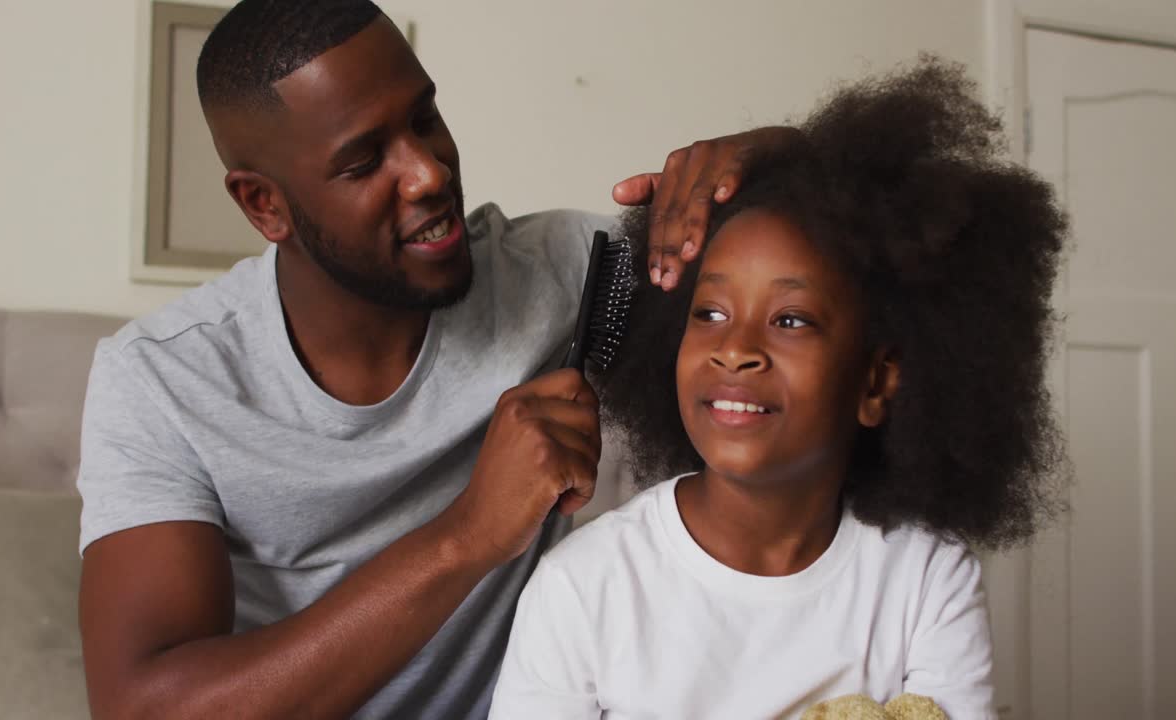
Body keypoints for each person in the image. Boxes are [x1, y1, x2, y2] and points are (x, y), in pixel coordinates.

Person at [74, 1, 793, 718]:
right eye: (363, 162)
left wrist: (775, 156)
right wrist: (468, 535)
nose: (426, 174)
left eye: (424, 119)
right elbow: (142, 707)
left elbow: (827, 265)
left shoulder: (563, 275)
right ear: (266, 206)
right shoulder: (162, 381)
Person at [488, 58, 1068, 719]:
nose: (736, 348)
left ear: (876, 382)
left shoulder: (925, 578)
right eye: (709, 313)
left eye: (791, 320)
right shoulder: (583, 588)